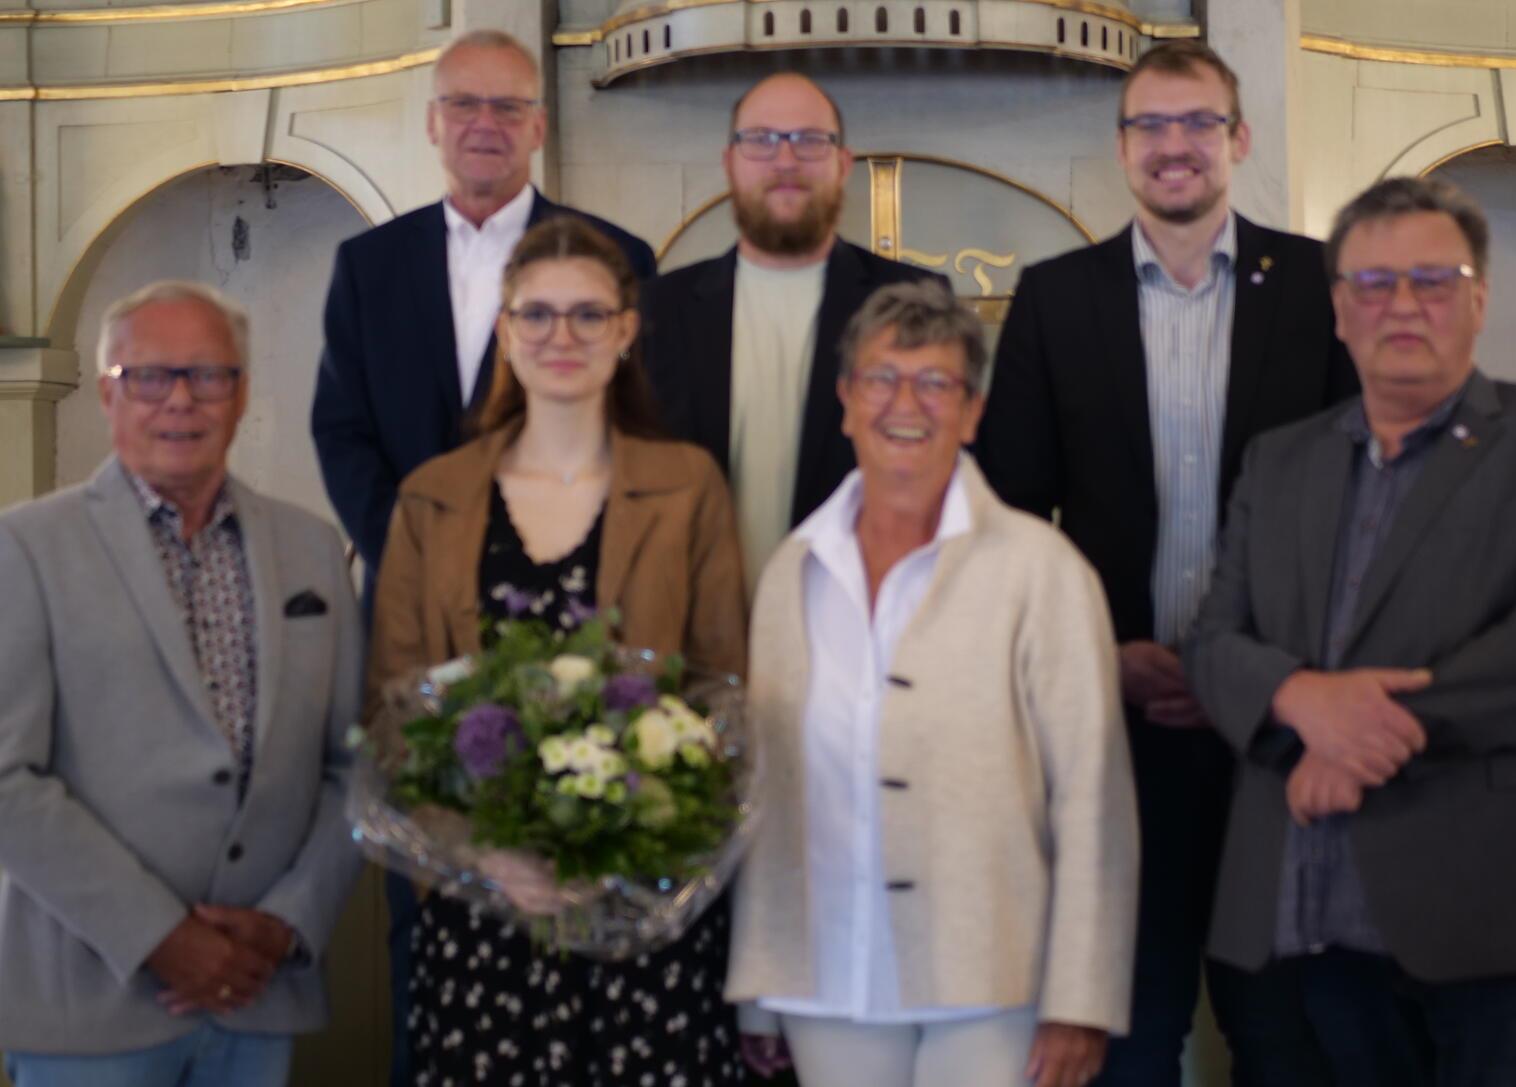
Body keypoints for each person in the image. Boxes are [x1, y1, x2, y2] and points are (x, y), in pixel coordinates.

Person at [1184, 176, 1516, 1084]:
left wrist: (1364, 735)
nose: (1401, 305)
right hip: (1304, 913)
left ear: (1478, 299)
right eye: (1371, 284)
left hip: (1500, 909)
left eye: (1433, 281)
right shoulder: (1280, 460)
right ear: (1339, 310)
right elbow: (1213, 640)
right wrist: (1296, 697)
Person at [970, 40, 1356, 1084]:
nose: (1174, 146)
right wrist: (1101, 654)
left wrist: (1256, 668)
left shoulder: (1321, 283)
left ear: (1239, 138)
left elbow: (1363, 508)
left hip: (1277, 736)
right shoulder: (1055, 298)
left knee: (1284, 1036)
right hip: (1111, 733)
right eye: (1151, 125)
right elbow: (1008, 514)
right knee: (1130, 1035)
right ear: (1122, 147)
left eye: (1197, 123)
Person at [309, 31, 656, 1081]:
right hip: (416, 636)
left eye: (507, 108)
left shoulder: (617, 255)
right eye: (464, 105)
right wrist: (422, 562)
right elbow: (342, 432)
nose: (484, 126)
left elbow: (640, 435)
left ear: (539, 127)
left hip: (584, 638)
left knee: (578, 898)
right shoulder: (367, 266)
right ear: (432, 121)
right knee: (435, 901)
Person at [726, 280, 1139, 1087]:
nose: (903, 404)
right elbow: (765, 789)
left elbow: (1093, 799)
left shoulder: (1041, 570)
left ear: (973, 410)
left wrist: (1079, 998)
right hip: (826, 975)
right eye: (880, 378)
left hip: (994, 975)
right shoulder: (793, 571)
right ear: (845, 400)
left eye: (935, 382)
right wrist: (759, 990)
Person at [365, 216, 748, 1086]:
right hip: (484, 922)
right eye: (536, 315)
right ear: (504, 331)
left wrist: (635, 841)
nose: (560, 336)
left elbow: (729, 699)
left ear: (625, 329)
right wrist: (482, 855)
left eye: (587, 315)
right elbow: (393, 720)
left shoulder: (688, 486)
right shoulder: (432, 498)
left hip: (645, 921)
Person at [0, 281, 365, 1087]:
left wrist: (287, 922)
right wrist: (163, 937)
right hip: (88, 1000)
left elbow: (354, 766)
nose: (180, 400)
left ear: (240, 396)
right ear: (107, 394)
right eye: (149, 376)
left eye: (208, 375)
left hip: (259, 994)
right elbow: (5, 781)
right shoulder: (26, 548)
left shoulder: (311, 550)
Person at [640, 72, 942, 590]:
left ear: (843, 165)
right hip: (698, 631)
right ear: (730, 163)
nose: (785, 161)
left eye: (809, 140)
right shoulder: (658, 309)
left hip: (858, 623)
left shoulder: (911, 302)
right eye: (759, 140)